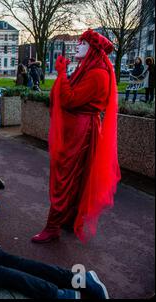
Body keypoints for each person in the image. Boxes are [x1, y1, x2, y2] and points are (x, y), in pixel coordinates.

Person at [32, 29, 121, 244]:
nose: (77, 46)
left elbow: (69, 99)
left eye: (82, 43)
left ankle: (53, 226)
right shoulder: (88, 69)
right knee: (73, 177)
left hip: (81, 131)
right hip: (79, 129)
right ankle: (68, 220)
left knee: (66, 177)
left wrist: (61, 73)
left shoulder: (98, 73)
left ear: (93, 49)